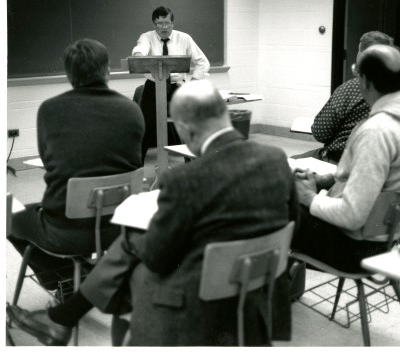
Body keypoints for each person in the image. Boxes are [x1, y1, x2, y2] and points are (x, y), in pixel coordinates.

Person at [7, 80, 297, 347]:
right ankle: (64, 316)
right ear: (225, 114)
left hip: (197, 303)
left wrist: (137, 239)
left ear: (183, 127)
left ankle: (67, 316)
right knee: (130, 247)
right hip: (258, 294)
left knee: (130, 255)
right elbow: (293, 224)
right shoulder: (276, 159)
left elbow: (159, 257)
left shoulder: (184, 179)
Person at [7, 39, 145, 291]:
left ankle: (61, 279)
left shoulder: (50, 110)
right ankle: (80, 277)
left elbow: (49, 162)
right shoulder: (132, 110)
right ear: (108, 71)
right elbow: (134, 161)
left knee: (8, 214)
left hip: (64, 233)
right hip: (121, 228)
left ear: (69, 75)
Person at [291, 44, 400, 272]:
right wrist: (326, 181)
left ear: (364, 81)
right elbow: (383, 182)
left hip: (358, 249)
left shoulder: (377, 131)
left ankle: (261, 296)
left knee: (274, 208)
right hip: (390, 240)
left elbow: (352, 216)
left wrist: (309, 198)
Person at [291, 31, 393, 164]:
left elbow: (320, 132)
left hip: (341, 162)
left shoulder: (351, 89)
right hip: (377, 163)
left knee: (286, 164)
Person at [132, 6, 210, 162]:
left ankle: (193, 166)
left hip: (176, 86)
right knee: (144, 127)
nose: (164, 27)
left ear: (173, 23)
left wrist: (193, 82)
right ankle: (136, 169)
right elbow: (139, 50)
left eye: (167, 23)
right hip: (153, 87)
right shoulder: (147, 37)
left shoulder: (184, 38)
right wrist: (139, 56)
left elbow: (202, 62)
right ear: (154, 25)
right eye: (159, 23)